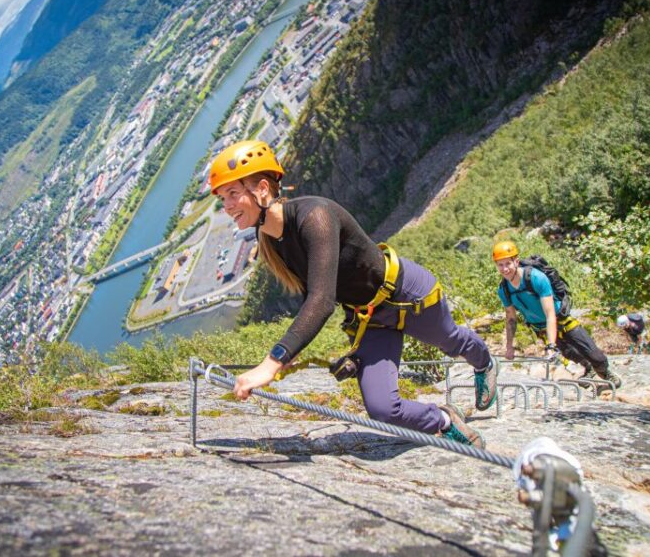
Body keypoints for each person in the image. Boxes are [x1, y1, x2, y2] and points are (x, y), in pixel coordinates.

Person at [210, 140, 498, 446]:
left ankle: (484, 363)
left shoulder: (315, 216)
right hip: (368, 318)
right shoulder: (269, 237)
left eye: (232, 194)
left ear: (263, 189)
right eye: (221, 198)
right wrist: (296, 351)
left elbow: (321, 302)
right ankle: (443, 419)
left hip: (405, 293)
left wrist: (273, 362)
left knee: (451, 341)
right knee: (383, 409)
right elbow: (316, 293)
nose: (227, 206)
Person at [492, 240, 621, 388]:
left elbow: (550, 314)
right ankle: (589, 369)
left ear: (516, 261)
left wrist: (551, 345)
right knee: (570, 353)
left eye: (507, 263)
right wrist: (509, 346)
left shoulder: (536, 278)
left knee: (595, 355)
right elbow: (511, 319)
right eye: (500, 265)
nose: (504, 269)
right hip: (540, 328)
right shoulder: (504, 290)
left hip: (560, 320)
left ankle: (605, 373)